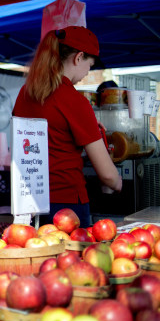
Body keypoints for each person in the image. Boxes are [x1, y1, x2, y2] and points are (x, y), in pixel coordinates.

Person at [12, 26, 122, 228]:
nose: (87, 73)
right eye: (90, 65)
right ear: (78, 57)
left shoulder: (25, 93)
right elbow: (108, 175)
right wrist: (118, 182)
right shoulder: (74, 101)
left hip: (28, 203)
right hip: (67, 206)